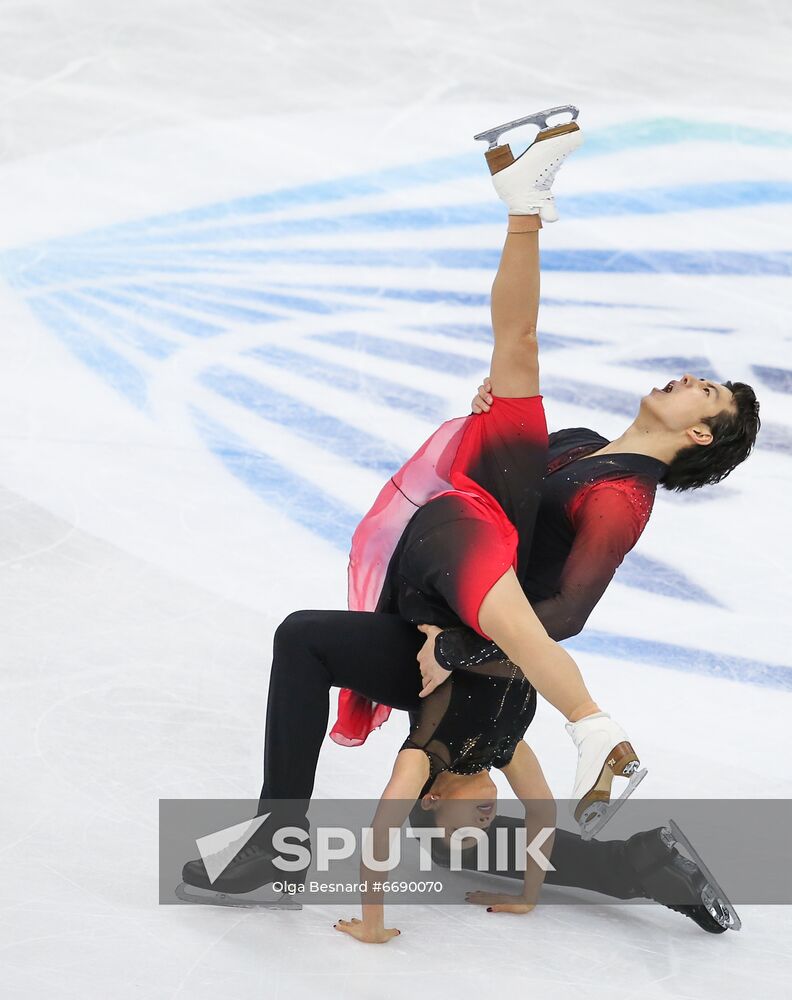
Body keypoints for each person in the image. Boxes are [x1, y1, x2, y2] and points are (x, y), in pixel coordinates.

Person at [181, 110, 755, 937]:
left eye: (710, 394)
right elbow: (501, 482)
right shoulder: (585, 446)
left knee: (339, 682)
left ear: (700, 436)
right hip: (446, 607)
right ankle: (279, 840)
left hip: (484, 655)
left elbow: (567, 615)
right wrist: (486, 419)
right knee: (309, 648)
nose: (693, 378)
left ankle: (632, 852)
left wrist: (455, 649)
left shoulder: (620, 500)